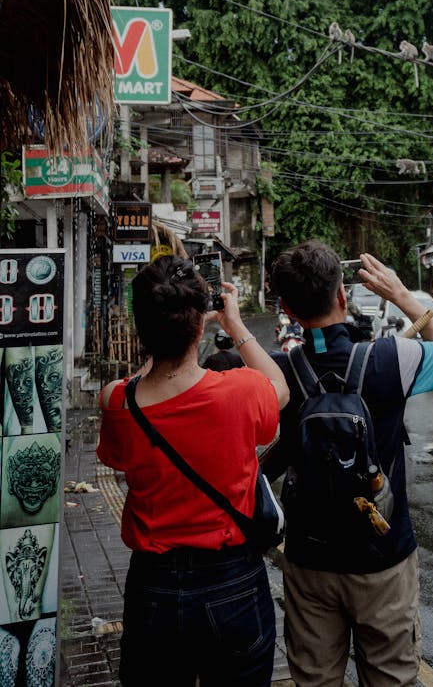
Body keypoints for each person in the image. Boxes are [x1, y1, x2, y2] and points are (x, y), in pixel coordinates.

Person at [264, 241, 433, 687]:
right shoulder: (389, 359)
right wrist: (401, 295)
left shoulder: (277, 372)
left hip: (309, 559)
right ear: (341, 297)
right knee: (392, 677)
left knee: (314, 680)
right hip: (383, 558)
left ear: (286, 309)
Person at [97, 255, 289, 687]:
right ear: (200, 326)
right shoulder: (240, 392)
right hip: (233, 583)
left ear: (139, 328)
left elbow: (116, 454)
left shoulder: (116, 402)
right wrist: (234, 323)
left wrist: (156, 349)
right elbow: (281, 388)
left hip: (153, 588)